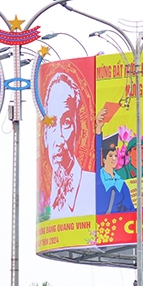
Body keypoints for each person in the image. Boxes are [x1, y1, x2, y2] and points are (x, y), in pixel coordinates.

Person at [43, 72, 96, 220]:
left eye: (66, 122)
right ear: (45, 135)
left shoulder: (95, 188)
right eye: (52, 124)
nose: (59, 138)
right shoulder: (43, 200)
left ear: (77, 130)